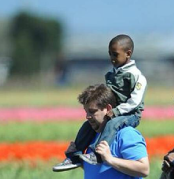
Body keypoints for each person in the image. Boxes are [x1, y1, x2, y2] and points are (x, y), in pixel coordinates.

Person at [53, 33, 147, 171]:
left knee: (113, 124)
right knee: (87, 125)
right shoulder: (112, 73)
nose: (112, 59)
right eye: (110, 54)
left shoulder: (136, 76)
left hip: (130, 114)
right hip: (113, 111)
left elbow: (135, 102)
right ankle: (74, 156)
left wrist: (116, 111)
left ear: (128, 53)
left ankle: (96, 154)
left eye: (115, 54)